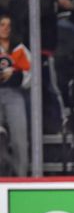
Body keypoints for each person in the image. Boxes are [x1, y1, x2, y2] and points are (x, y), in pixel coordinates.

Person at [0, 13, 31, 176]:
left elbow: (30, 75)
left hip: (14, 94)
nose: (5, 28)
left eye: (8, 25)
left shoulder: (19, 49)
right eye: (2, 24)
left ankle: (21, 177)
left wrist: (14, 74)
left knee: (19, 140)